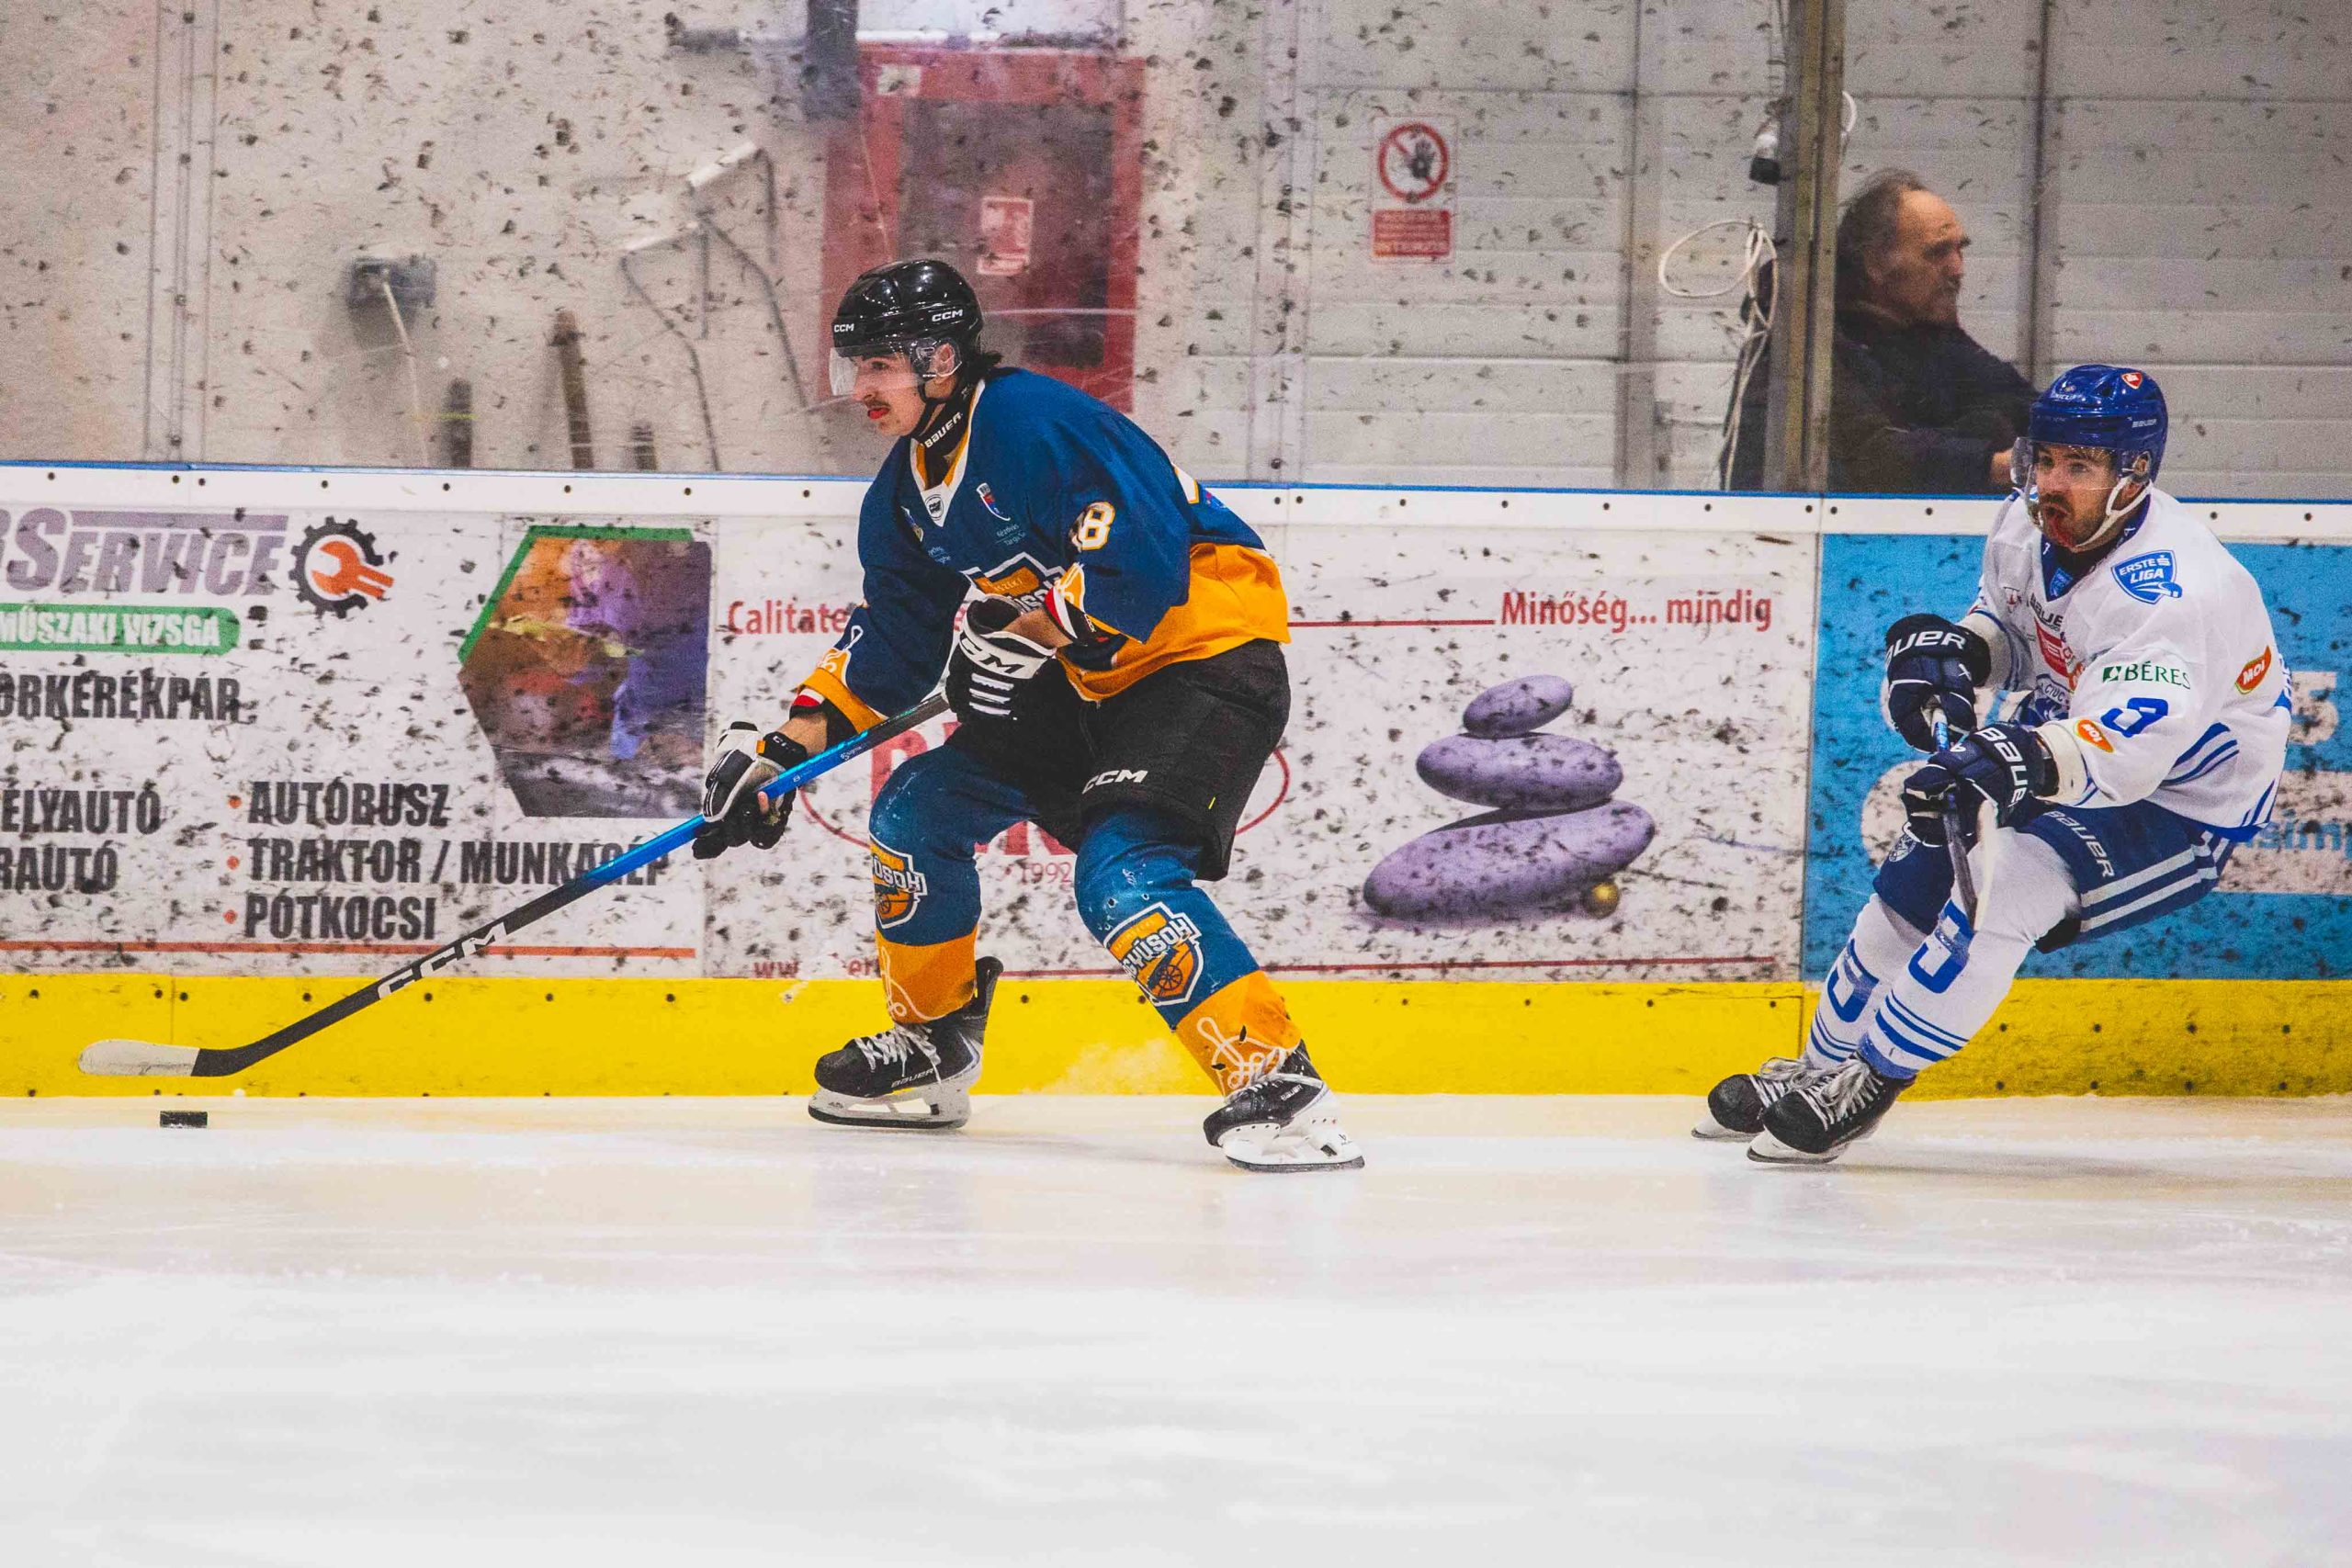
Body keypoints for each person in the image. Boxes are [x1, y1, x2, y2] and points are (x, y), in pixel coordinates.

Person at [694, 257, 1363, 1172]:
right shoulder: (904, 492)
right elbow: (892, 646)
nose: (859, 387)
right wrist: (783, 751)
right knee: (916, 809)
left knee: (1122, 874)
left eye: (879, 364)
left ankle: (1280, 1085)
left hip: (1203, 658)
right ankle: (933, 1044)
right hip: (1087, 679)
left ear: (938, 358)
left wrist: (1035, 628)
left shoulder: (1032, 422)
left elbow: (1142, 558)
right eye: (855, 365)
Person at [1701, 365, 2289, 1162]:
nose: (2050, 483)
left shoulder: (2180, 591)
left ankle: (1868, 1081)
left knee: (2005, 883)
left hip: (2180, 801)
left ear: (2134, 475)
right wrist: (1960, 656)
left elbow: (2129, 753)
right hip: (2065, 740)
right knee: (1920, 866)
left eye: (2078, 466)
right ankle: (1816, 1066)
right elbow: (2011, 627)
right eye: (2044, 458)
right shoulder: (2025, 524)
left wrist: (2019, 754)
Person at [1730, 169, 2034, 494]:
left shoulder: (1923, 328)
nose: (1957, 269)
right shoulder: (1800, 331)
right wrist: (1998, 466)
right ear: (1875, 263)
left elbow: (2019, 401)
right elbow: (1869, 455)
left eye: (1960, 249)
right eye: (1937, 252)